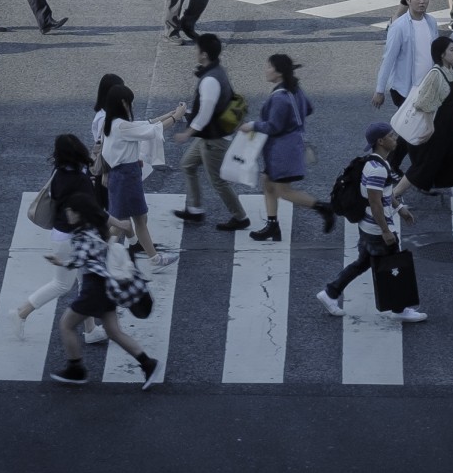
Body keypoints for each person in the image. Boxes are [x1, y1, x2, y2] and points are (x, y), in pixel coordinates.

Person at [315, 119, 424, 324]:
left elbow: (384, 192)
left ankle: (330, 293)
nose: (396, 138)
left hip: (367, 227)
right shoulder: (377, 169)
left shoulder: (375, 163)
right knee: (394, 268)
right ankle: (399, 308)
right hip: (376, 229)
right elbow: (375, 203)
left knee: (363, 262)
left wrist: (399, 208)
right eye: (392, 136)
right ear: (381, 141)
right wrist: (385, 231)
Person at [47, 196, 161, 388]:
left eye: (71, 211)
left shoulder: (82, 234)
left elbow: (79, 260)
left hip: (94, 288)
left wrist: (60, 262)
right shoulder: (94, 229)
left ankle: (76, 369)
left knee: (66, 324)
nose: (68, 214)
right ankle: (148, 364)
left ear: (79, 214)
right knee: (113, 331)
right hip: (106, 285)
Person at [249, 54, 337, 241]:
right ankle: (272, 225)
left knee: (283, 191)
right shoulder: (294, 89)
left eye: (269, 66)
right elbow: (309, 108)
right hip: (289, 147)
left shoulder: (280, 97)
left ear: (279, 72)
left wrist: (251, 125)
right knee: (268, 183)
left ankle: (323, 208)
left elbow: (273, 126)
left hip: (282, 151)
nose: (266, 69)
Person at [173, 33, 250, 232]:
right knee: (187, 165)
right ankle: (195, 210)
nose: (195, 51)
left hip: (214, 139)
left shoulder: (209, 80)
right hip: (209, 135)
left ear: (204, 54)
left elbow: (205, 113)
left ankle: (240, 217)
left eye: (197, 49)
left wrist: (187, 133)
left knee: (218, 181)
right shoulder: (217, 70)